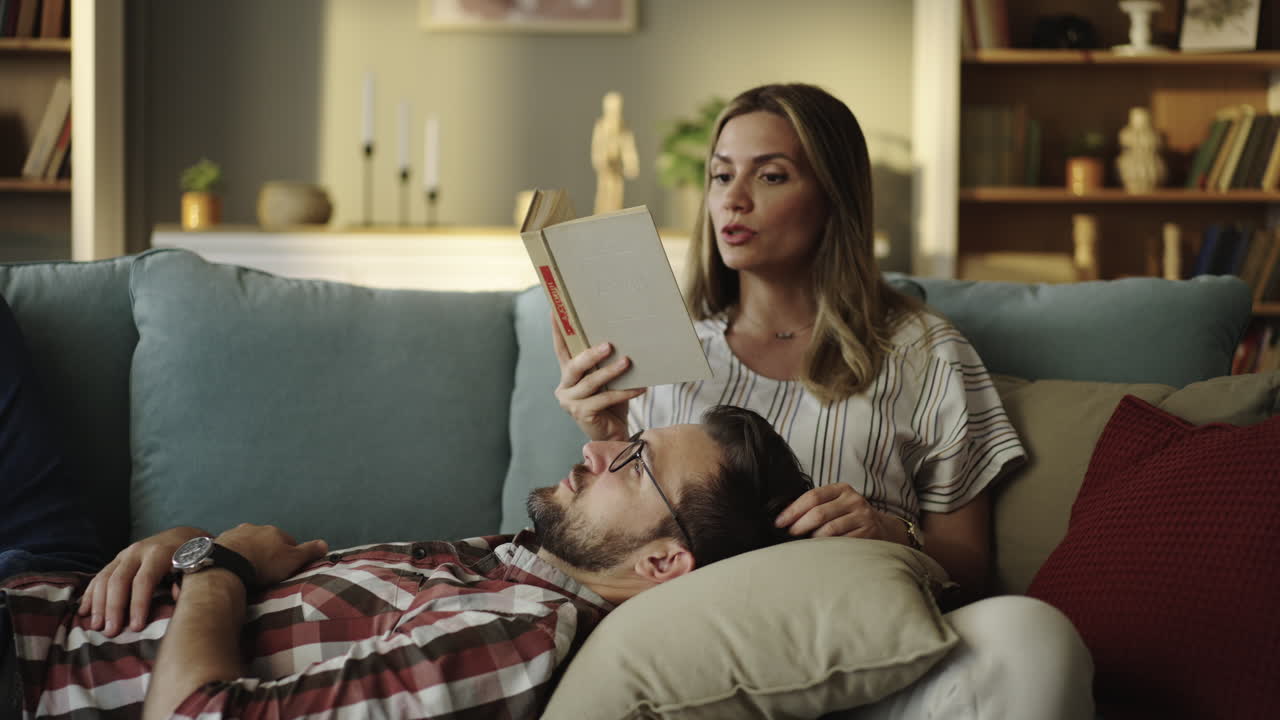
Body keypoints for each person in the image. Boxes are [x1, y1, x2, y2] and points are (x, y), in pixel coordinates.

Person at [0, 293, 814, 720]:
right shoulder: (516, 561)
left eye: (632, 463)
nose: (597, 447)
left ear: (665, 561)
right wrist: (184, 547)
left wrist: (218, 567)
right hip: (48, 600)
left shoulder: (517, 636)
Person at [553, 83, 1095, 718]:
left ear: (833, 195)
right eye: (721, 175)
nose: (734, 197)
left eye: (772, 175)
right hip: (701, 660)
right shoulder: (663, 359)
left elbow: (969, 569)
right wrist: (609, 430)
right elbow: (617, 557)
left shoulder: (923, 351)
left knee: (1032, 636)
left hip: (871, 650)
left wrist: (894, 532)